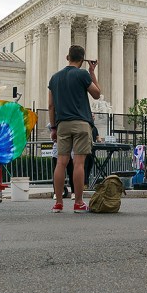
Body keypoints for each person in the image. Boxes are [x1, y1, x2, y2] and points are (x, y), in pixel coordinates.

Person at [48, 45, 101, 213]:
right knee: (79, 163)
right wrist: (92, 72)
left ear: (67, 57)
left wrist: (54, 128)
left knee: (61, 163)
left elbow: (50, 106)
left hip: (62, 124)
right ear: (82, 59)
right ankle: (78, 202)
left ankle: (58, 202)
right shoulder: (82, 74)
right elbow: (97, 94)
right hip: (82, 123)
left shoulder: (54, 78)